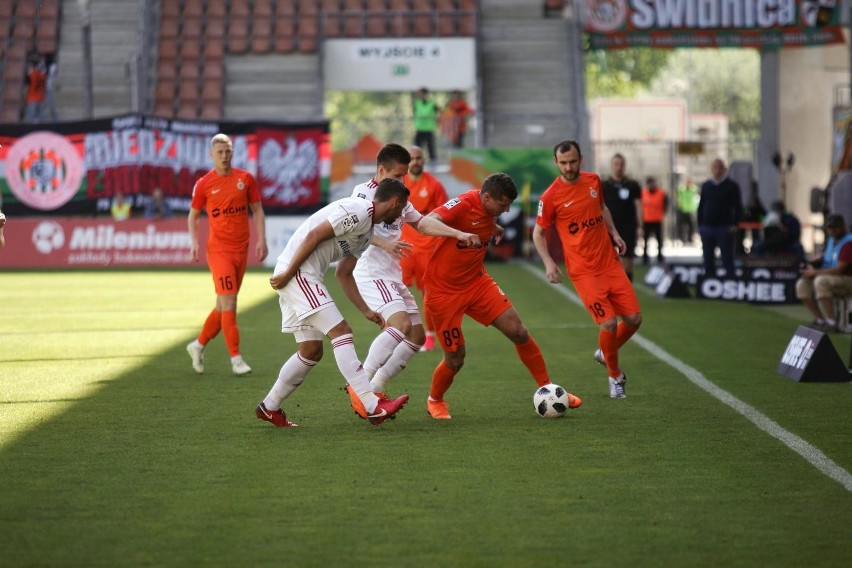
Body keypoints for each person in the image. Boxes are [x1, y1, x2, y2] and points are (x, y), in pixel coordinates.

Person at [423, 172, 582, 419]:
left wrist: (491, 226)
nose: (506, 212)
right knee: (455, 359)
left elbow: (481, 221)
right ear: (487, 197)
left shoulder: (488, 213)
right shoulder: (463, 203)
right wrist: (458, 234)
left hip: (477, 284)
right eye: (503, 205)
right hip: (444, 294)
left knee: (519, 331)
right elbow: (425, 222)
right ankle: (435, 400)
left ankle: (548, 389)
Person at [257, 178, 414, 427]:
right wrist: (288, 274)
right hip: (298, 273)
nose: (400, 216)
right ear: (394, 202)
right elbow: (314, 235)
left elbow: (344, 273)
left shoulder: (367, 233)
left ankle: (270, 406)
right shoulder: (358, 210)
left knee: (311, 350)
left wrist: (366, 310)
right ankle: (372, 406)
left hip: (302, 274)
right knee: (341, 332)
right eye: (401, 208)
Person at [347, 144, 479, 415]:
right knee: (401, 323)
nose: (402, 181)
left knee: (417, 335)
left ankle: (377, 386)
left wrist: (457, 234)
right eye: (397, 176)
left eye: (404, 176)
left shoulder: (400, 197)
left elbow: (421, 223)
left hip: (391, 275)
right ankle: (359, 388)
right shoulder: (363, 193)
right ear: (381, 170)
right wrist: (384, 244)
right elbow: (353, 229)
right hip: (371, 272)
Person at [532, 140, 642, 399]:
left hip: (609, 263)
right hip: (584, 271)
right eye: (563, 163)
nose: (568, 167)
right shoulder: (550, 197)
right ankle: (614, 376)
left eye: (573, 161)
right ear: (555, 163)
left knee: (634, 320)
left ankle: (605, 352)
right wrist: (549, 263)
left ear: (581, 159)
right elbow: (538, 233)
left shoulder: (593, 181)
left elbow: (602, 208)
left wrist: (614, 233)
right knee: (608, 323)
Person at [186, 133, 268, 376]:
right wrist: (194, 243)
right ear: (211, 155)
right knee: (231, 302)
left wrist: (261, 239)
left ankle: (198, 345)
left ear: (232, 153)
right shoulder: (204, 184)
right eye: (219, 152)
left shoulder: (245, 179)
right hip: (219, 250)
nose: (224, 156)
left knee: (223, 306)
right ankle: (236, 359)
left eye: (228, 151)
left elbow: (258, 211)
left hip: (241, 250)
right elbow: (193, 215)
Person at [401, 145, 449, 351]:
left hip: (428, 248)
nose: (415, 162)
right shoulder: (400, 183)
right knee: (395, 291)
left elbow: (445, 213)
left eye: (419, 158)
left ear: (424, 160)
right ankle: (397, 332)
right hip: (404, 248)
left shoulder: (434, 185)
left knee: (428, 295)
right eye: (411, 158)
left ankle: (429, 336)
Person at [796, 214, 852, 332]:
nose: (832, 230)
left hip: (847, 279)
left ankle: (831, 322)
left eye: (835, 227)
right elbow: (830, 257)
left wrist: (815, 272)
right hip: (834, 278)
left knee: (821, 281)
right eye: (830, 228)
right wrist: (816, 260)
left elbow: (839, 270)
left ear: (842, 227)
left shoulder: (848, 243)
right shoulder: (832, 240)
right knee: (802, 284)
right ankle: (820, 320)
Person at [601, 153, 642, 281]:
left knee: (627, 264)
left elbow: (638, 206)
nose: (619, 167)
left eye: (621, 164)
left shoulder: (632, 185)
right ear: (611, 165)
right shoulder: (604, 185)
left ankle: (627, 295)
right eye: (616, 164)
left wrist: (640, 226)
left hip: (628, 227)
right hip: (608, 228)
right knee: (607, 263)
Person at [698, 158, 742, 276]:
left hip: (724, 227)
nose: (716, 170)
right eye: (714, 167)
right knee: (708, 257)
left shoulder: (731, 186)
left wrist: (734, 224)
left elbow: (737, 207)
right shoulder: (706, 186)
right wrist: (700, 225)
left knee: (727, 257)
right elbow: (702, 205)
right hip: (707, 228)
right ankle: (709, 281)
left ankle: (730, 281)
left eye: (719, 167)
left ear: (724, 169)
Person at [641, 176, 667, 265]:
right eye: (650, 184)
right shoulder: (643, 193)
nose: (651, 185)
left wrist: (663, 213)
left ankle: (660, 256)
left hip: (657, 219)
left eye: (653, 183)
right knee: (645, 240)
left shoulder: (661, 193)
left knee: (659, 239)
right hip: (647, 220)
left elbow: (666, 203)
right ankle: (645, 258)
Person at [412, 87, 439, 162]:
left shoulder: (432, 103)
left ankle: (433, 163)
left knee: (431, 148)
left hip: (429, 129)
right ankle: (415, 162)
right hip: (420, 128)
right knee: (417, 148)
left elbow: (438, 112)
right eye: (419, 94)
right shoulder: (416, 103)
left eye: (422, 94)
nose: (420, 95)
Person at [675, 177, 699, 244]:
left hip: (691, 210)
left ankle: (690, 239)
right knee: (682, 226)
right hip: (683, 209)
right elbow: (678, 197)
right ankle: (682, 239)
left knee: (691, 225)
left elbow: (696, 196)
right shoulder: (681, 189)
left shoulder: (693, 189)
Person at [43, 57, 58, 122]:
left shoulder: (52, 67)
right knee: (43, 105)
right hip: (43, 88)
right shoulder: (43, 66)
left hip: (48, 88)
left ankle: (54, 118)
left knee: (50, 104)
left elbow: (52, 74)